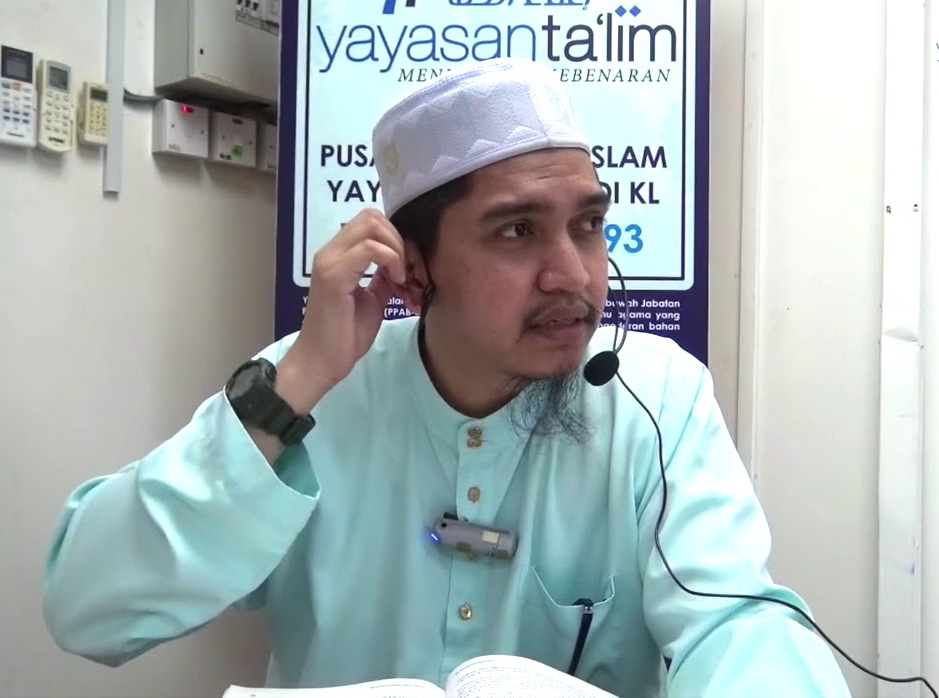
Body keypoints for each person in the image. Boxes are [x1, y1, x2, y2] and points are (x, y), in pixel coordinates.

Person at [41, 57, 850, 697]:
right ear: (413, 265)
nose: (573, 275)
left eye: (588, 224)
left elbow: (738, 624)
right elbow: (88, 609)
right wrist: (293, 389)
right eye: (516, 232)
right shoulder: (308, 389)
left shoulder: (654, 396)